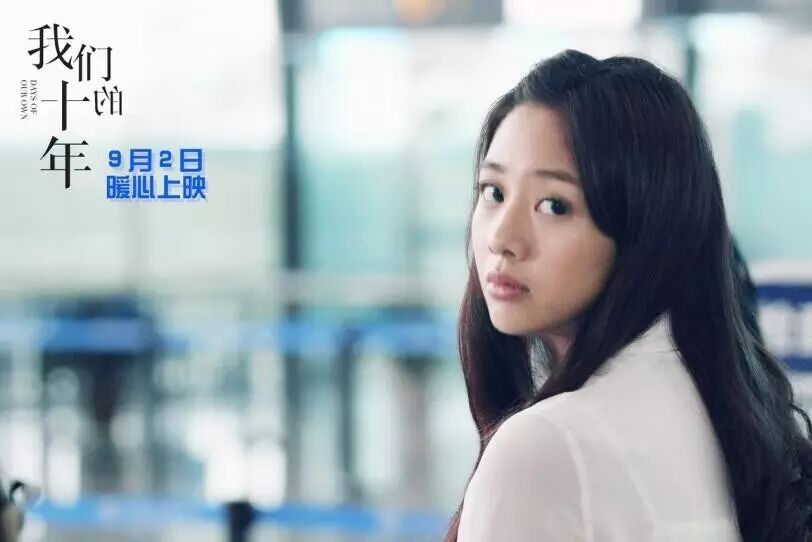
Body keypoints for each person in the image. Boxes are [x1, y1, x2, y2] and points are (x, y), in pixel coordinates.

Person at [445, 49, 812, 542]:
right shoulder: (721, 413)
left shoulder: (546, 447)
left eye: (554, 205)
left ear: (645, 232)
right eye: (493, 192)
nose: (501, 238)